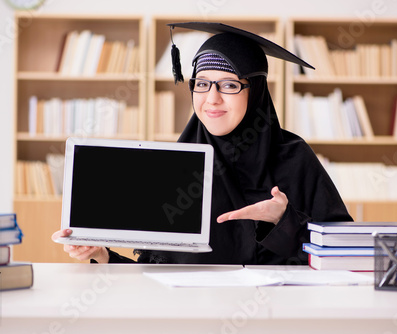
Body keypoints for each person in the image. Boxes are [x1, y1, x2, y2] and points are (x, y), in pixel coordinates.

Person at [52, 22, 352, 265]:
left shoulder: (294, 157)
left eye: (230, 85)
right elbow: (155, 274)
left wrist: (284, 222)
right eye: (202, 83)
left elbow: (346, 255)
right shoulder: (179, 163)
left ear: (256, 91)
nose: (212, 98)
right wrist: (101, 255)